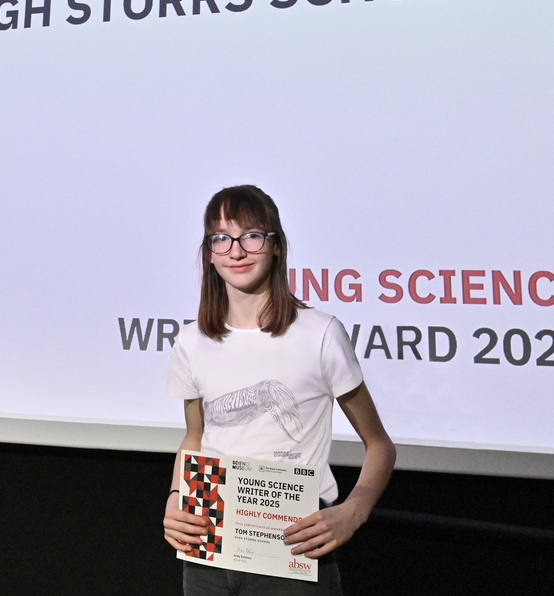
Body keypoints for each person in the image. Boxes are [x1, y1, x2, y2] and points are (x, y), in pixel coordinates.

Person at [163, 185, 396, 595]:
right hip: (208, 545)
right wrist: (176, 495)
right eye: (222, 238)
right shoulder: (191, 341)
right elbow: (195, 438)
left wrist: (354, 512)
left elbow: (379, 444)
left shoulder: (320, 333)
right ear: (209, 252)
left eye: (251, 236)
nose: (237, 251)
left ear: (275, 246)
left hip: (293, 548)